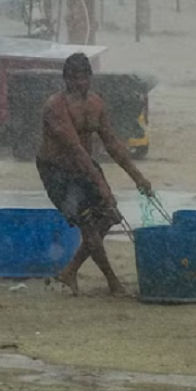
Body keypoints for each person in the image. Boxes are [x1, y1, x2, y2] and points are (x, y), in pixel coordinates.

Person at [36, 52, 153, 296]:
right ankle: (113, 283)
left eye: (84, 78)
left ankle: (69, 271)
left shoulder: (96, 103)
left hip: (84, 165)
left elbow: (112, 144)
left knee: (110, 216)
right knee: (88, 224)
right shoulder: (55, 107)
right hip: (57, 171)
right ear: (66, 79)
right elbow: (75, 149)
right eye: (74, 79)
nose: (80, 84)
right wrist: (103, 187)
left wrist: (138, 178)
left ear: (90, 78)